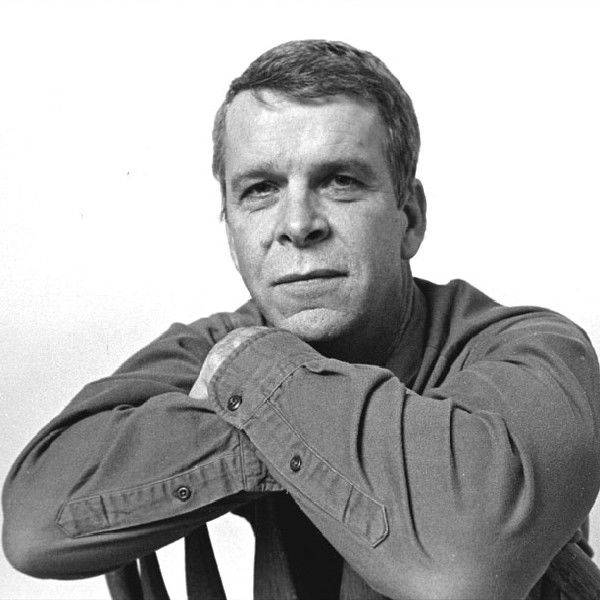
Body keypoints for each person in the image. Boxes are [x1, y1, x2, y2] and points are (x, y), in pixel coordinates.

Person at [3, 39, 600, 600]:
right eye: (261, 189)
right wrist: (374, 462)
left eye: (340, 181)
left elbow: (461, 562)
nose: (296, 224)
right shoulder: (205, 348)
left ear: (410, 218)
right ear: (230, 228)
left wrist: (258, 377)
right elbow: (35, 526)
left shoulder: (536, 351)